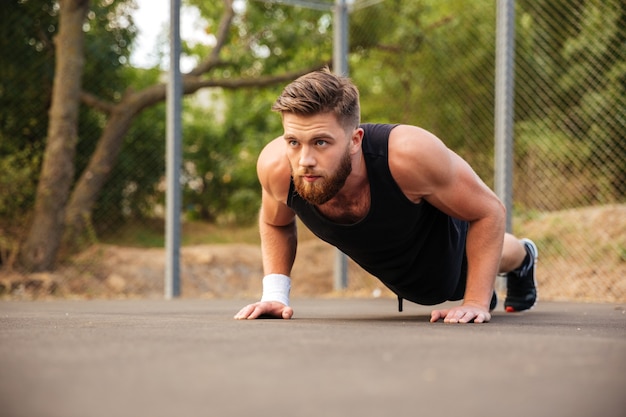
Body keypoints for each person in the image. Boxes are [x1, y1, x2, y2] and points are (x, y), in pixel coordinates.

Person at [234, 68, 538, 324]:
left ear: (355, 140)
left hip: (441, 241)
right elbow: (275, 223)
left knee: (467, 268)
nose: (304, 160)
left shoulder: (408, 155)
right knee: (431, 287)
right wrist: (274, 294)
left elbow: (489, 211)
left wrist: (475, 301)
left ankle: (523, 257)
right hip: (406, 276)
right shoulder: (277, 169)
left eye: (321, 142)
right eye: (293, 141)